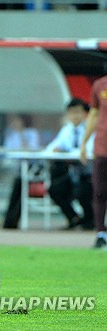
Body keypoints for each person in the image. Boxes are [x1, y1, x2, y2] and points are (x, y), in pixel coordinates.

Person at [46, 98, 94, 230]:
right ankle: (74, 218)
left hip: (91, 174)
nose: (75, 116)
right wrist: (57, 149)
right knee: (55, 188)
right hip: (74, 175)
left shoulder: (92, 129)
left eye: (78, 112)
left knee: (84, 190)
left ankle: (91, 221)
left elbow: (89, 151)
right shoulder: (67, 130)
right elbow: (52, 147)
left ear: (86, 114)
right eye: (71, 113)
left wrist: (69, 151)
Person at [81, 75, 107, 248]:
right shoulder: (100, 85)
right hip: (102, 147)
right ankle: (100, 233)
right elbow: (94, 114)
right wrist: (84, 142)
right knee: (99, 191)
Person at [2, 114, 41, 229]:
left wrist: (21, 134)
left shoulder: (32, 133)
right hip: (16, 169)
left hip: (32, 169)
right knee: (18, 187)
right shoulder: (11, 135)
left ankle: (11, 220)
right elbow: (8, 152)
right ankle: (9, 220)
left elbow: (32, 151)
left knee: (21, 187)